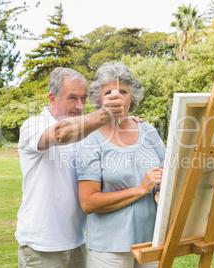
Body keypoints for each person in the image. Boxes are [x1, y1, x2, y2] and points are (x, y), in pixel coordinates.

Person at [15, 67, 126, 268]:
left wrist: (129, 124)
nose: (79, 105)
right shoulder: (33, 125)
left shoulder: (87, 132)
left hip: (77, 242)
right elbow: (61, 134)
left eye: (83, 98)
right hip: (42, 246)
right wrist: (105, 114)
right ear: (52, 98)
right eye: (72, 98)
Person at [76, 62, 166, 268]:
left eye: (123, 91)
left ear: (131, 97)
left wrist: (161, 188)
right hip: (109, 248)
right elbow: (88, 203)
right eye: (109, 92)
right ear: (100, 99)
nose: (116, 96)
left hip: (151, 242)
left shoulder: (148, 131)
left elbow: (168, 174)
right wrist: (141, 189)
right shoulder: (90, 140)